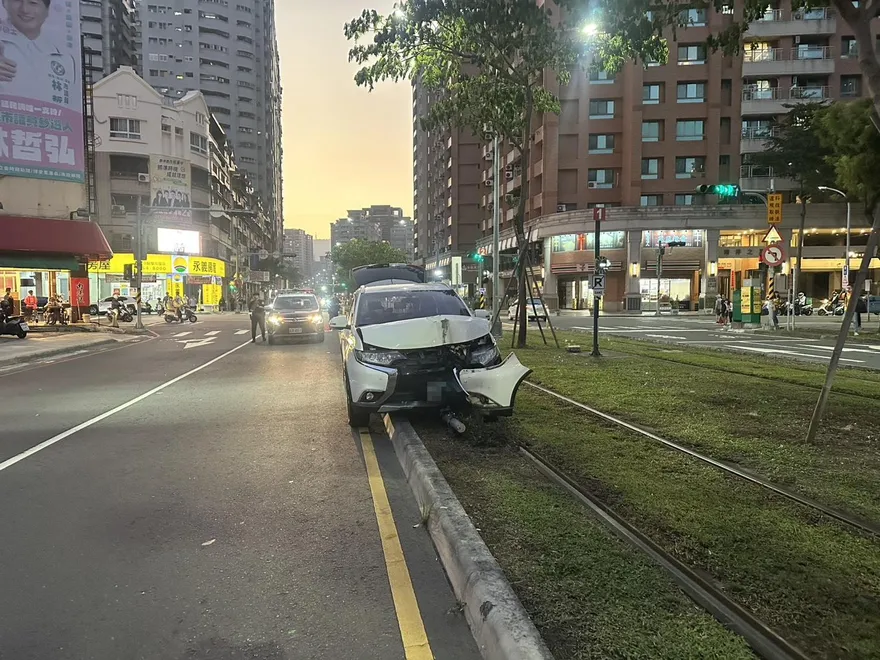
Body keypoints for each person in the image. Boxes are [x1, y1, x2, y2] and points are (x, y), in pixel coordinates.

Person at [0, 0, 79, 109]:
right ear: (4, 3)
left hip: (45, 123)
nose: (24, 10)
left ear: (47, 10)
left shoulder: (64, 59)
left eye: (33, 3)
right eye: (17, 0)